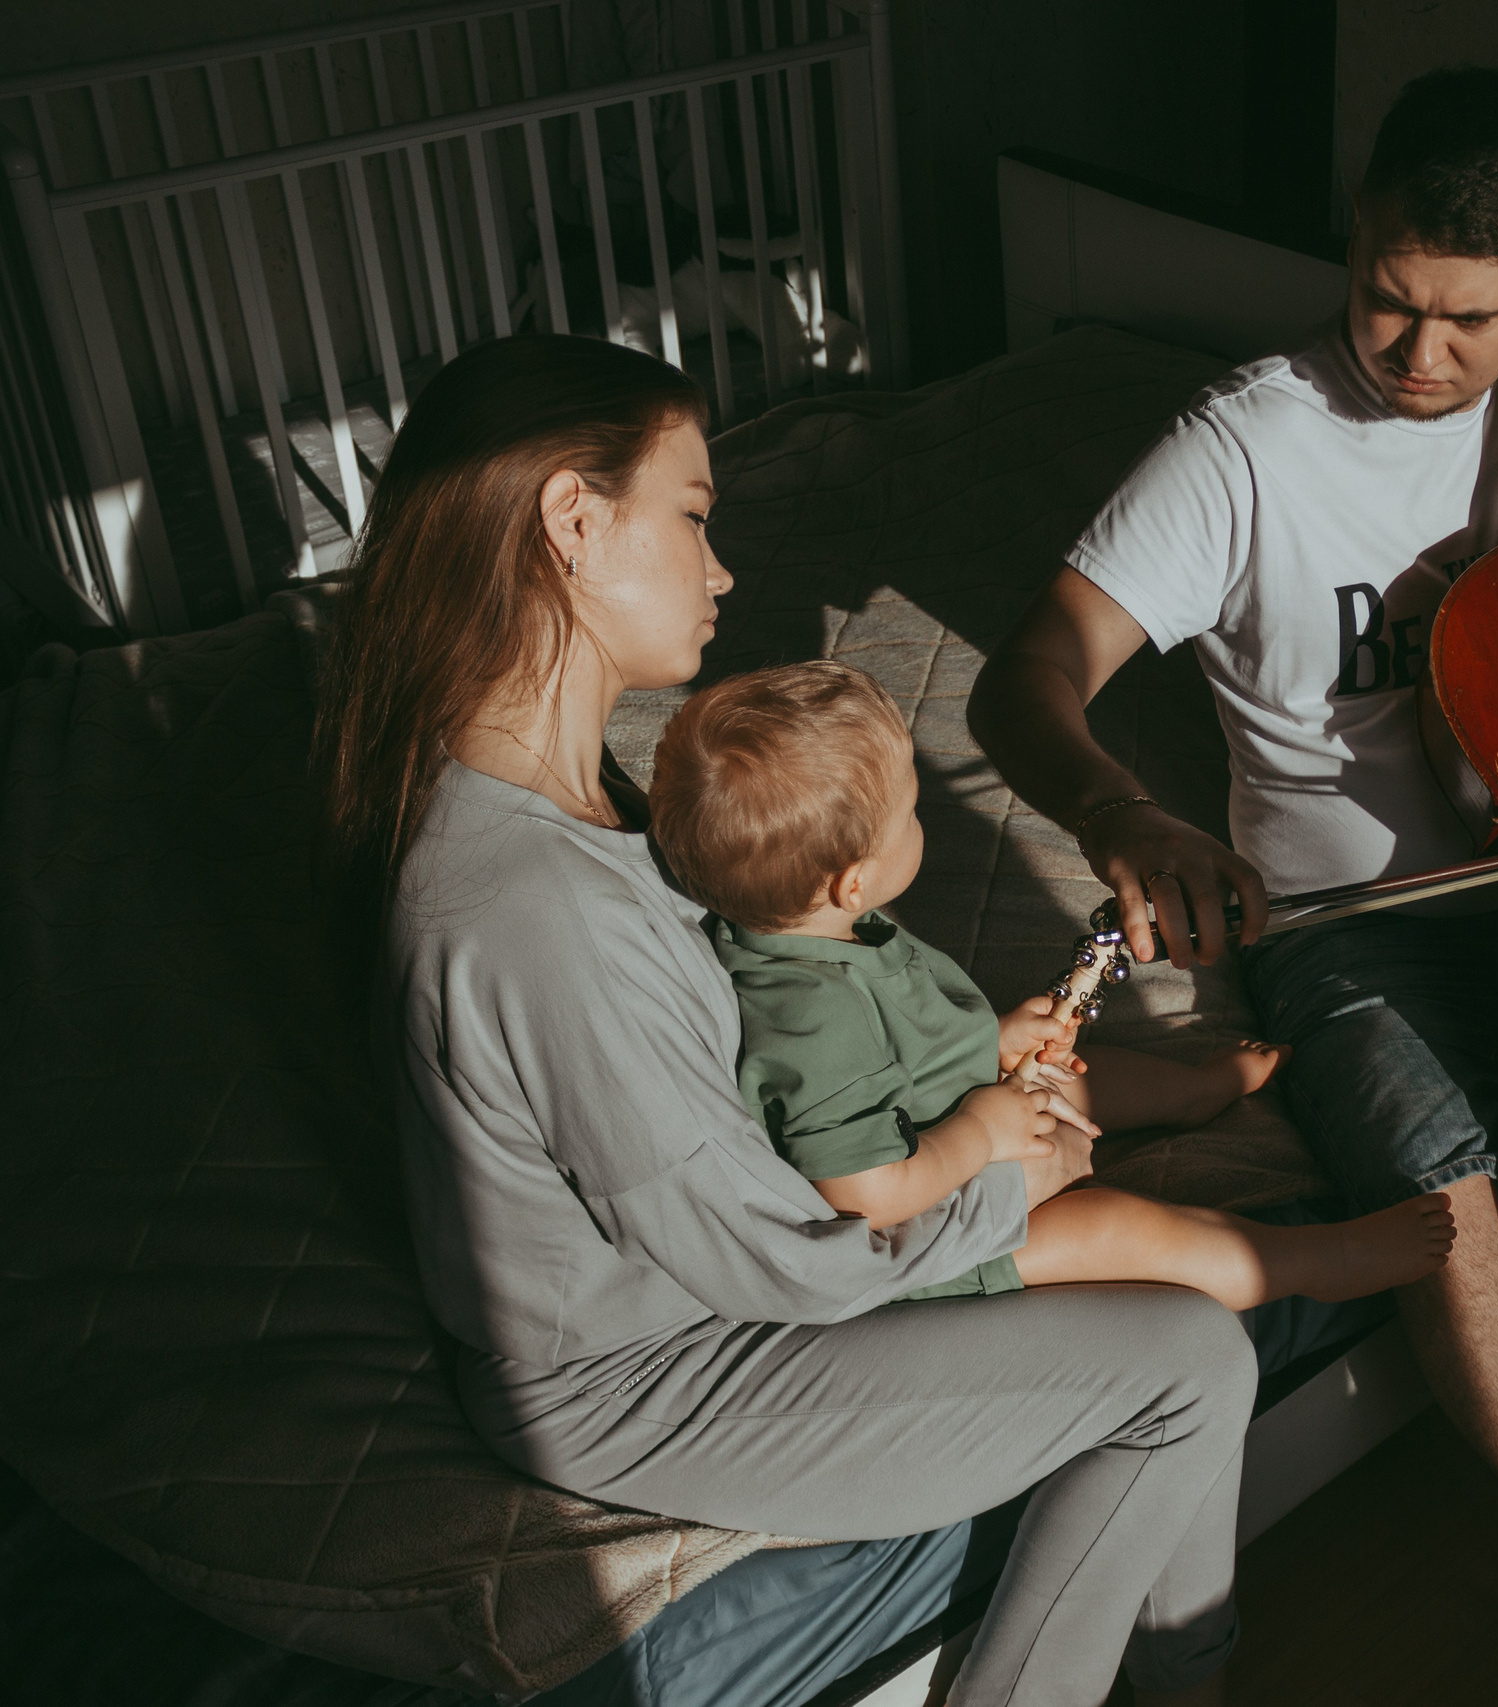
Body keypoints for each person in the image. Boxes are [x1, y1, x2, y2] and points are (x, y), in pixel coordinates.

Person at [969, 67, 1498, 1705]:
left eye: (1471, 319)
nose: (1425, 360)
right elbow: (1029, 674)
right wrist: (1121, 811)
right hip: (1349, 933)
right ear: (1355, 240)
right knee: (1450, 1224)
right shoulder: (1246, 443)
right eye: (1386, 303)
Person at [318, 332, 1258, 1707]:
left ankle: (1188, 1676)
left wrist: (962, 1079)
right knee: (1188, 1360)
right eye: (694, 518)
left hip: (694, 1299)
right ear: (574, 524)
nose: (723, 569)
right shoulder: (528, 907)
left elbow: (732, 1070)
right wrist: (1001, 1184)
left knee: (1175, 1321)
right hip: (653, 1370)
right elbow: (781, 1258)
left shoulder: (572, 800)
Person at [646, 658, 1456, 1310]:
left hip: (960, 1115)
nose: (922, 825)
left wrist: (994, 1042)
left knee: (1088, 1070)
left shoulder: (806, 924)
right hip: (945, 1234)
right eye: (912, 815)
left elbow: (907, 1051)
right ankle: (1317, 1257)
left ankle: (1193, 1090)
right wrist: (982, 1134)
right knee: (1126, 1230)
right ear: (852, 881)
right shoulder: (812, 1019)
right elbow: (863, 1193)